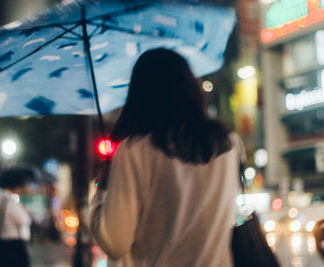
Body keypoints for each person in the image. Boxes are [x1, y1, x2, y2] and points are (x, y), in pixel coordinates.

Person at [89, 48, 241, 267]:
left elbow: (115, 243)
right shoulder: (228, 143)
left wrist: (101, 193)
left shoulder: (134, 152)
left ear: (140, 95)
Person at [0, 168, 32, 267]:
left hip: (1, 243)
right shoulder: (10, 202)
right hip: (14, 245)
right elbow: (25, 220)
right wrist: (24, 210)